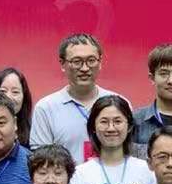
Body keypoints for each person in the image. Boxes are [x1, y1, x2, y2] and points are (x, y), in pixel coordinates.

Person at [30, 33, 120, 162]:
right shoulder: (46, 108)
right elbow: (41, 163)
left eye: (91, 60)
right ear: (62, 64)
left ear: (100, 62)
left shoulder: (118, 104)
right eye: (77, 62)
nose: (84, 68)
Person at [68, 95, 156, 184]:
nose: (111, 128)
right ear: (93, 127)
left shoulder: (147, 171)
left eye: (117, 121)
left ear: (129, 126)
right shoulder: (79, 174)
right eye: (104, 122)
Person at [0, 66, 35, 148]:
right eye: (3, 91)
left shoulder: (34, 129)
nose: (8, 97)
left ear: (24, 97)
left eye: (15, 92)